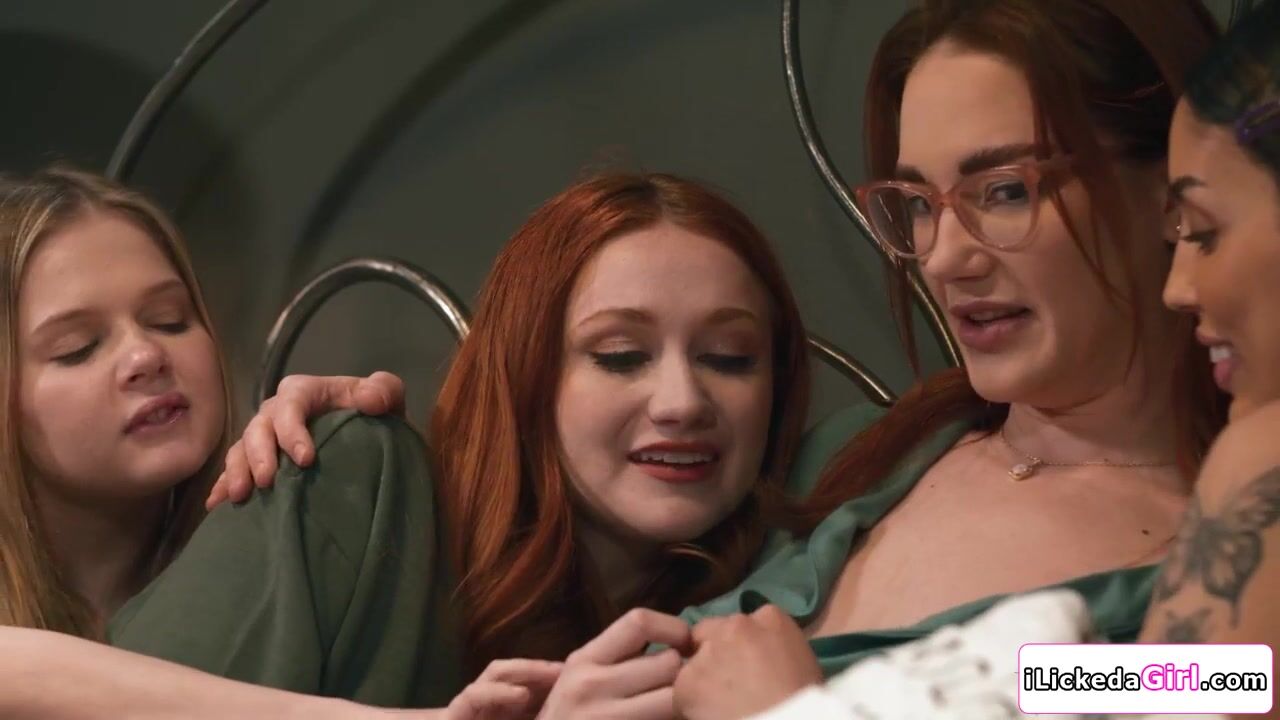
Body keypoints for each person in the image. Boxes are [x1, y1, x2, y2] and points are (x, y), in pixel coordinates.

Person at [106, 171, 812, 719]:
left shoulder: (769, 620)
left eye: (729, 358)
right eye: (621, 355)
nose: (683, 402)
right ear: (524, 375)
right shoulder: (350, 480)